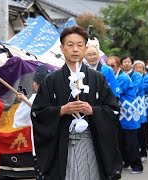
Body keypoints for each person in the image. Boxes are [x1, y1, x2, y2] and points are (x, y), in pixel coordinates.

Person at [31, 26, 122, 180]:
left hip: (92, 141)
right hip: (62, 143)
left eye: (80, 45)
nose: (75, 49)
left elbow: (113, 110)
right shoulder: (51, 80)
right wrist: (61, 110)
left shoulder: (97, 78)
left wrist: (93, 110)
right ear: (62, 48)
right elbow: (37, 113)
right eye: (70, 45)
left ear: (85, 48)